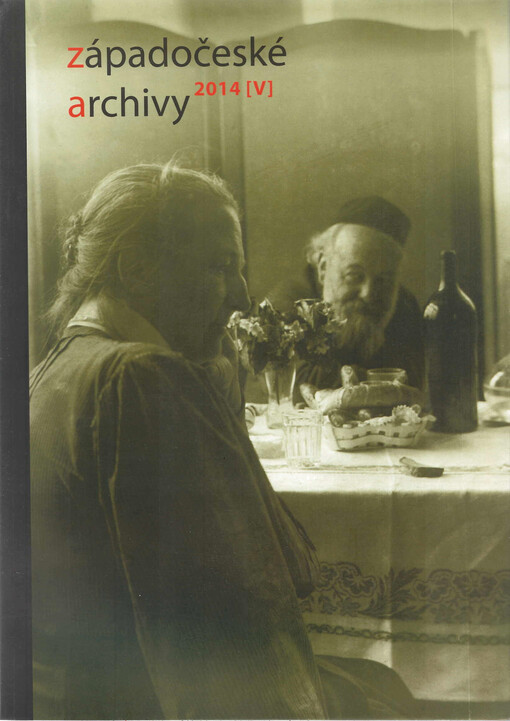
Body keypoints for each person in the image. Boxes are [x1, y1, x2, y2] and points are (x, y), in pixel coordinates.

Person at [30, 165, 418, 719]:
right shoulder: (142, 377)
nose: (241, 295)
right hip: (143, 704)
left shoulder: (61, 362)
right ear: (135, 269)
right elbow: (254, 611)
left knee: (379, 680)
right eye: (219, 268)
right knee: (387, 695)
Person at [268, 197, 425, 400]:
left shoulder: (404, 306)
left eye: (383, 281)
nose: (368, 293)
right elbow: (293, 385)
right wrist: (379, 382)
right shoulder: (288, 302)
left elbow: (413, 386)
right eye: (354, 276)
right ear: (323, 267)